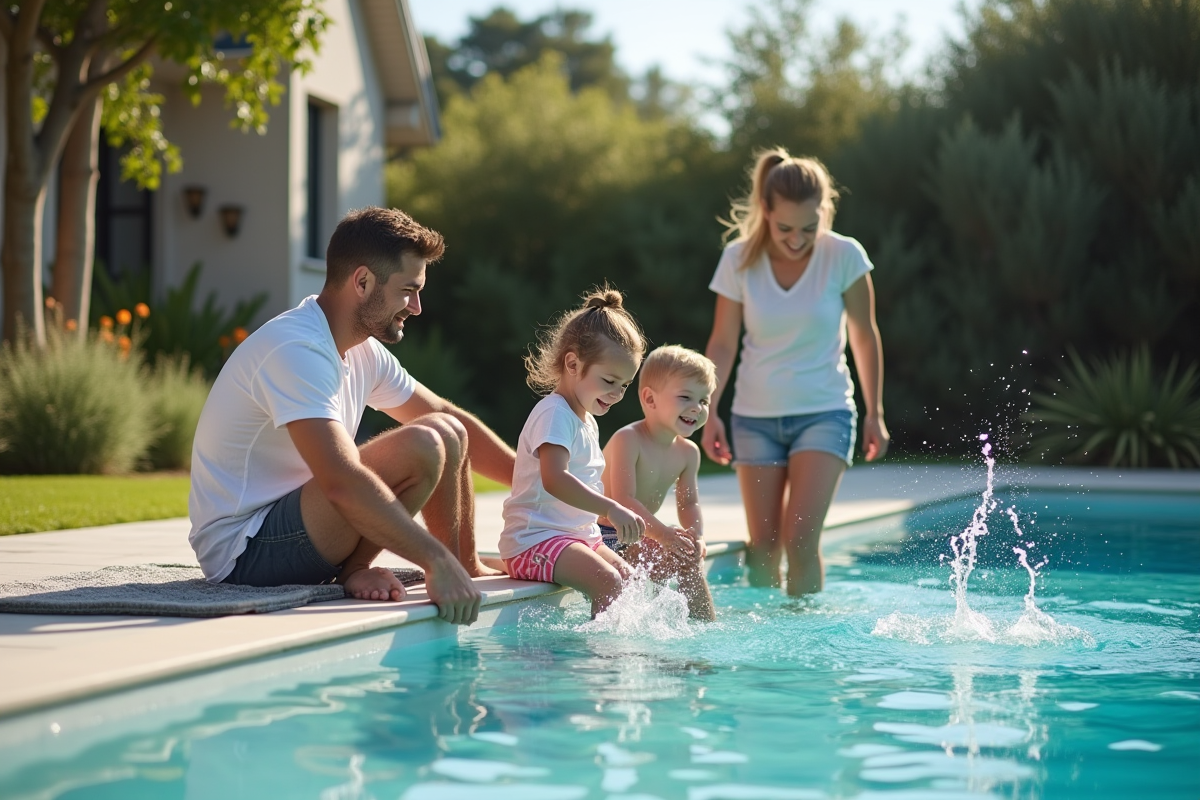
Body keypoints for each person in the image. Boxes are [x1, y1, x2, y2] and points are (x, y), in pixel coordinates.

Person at [188, 206, 516, 626]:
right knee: (424, 443)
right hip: (246, 552)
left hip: (300, 523)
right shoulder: (297, 349)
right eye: (407, 291)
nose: (416, 307)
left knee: (448, 429)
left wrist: (542, 481)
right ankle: (433, 565)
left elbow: (448, 417)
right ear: (362, 281)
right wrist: (432, 560)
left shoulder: (361, 348)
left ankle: (458, 564)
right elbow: (340, 481)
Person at [702, 149, 890, 596]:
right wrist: (709, 412)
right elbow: (723, 343)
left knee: (800, 541)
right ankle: (769, 653)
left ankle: (806, 657)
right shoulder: (737, 259)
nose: (797, 239)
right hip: (754, 417)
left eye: (809, 227)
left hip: (824, 414)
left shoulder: (845, 255)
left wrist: (874, 411)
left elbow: (865, 336)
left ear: (823, 212)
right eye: (785, 228)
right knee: (764, 547)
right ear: (765, 211)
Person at [498, 288, 648, 616]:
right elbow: (555, 479)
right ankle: (599, 661)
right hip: (533, 541)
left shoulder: (587, 420)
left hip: (575, 538)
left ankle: (617, 650)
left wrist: (604, 515)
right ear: (573, 363)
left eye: (624, 385)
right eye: (609, 380)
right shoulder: (554, 414)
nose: (618, 393)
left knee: (629, 578)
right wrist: (612, 506)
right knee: (609, 582)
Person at [600, 345, 718, 621]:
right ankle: (641, 623)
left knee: (688, 556)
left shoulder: (689, 453)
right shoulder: (628, 439)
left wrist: (695, 536)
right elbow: (623, 501)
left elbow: (689, 502)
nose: (697, 407)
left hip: (641, 533)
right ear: (650, 399)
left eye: (704, 400)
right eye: (686, 397)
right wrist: (664, 535)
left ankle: (705, 628)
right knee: (648, 550)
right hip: (606, 532)